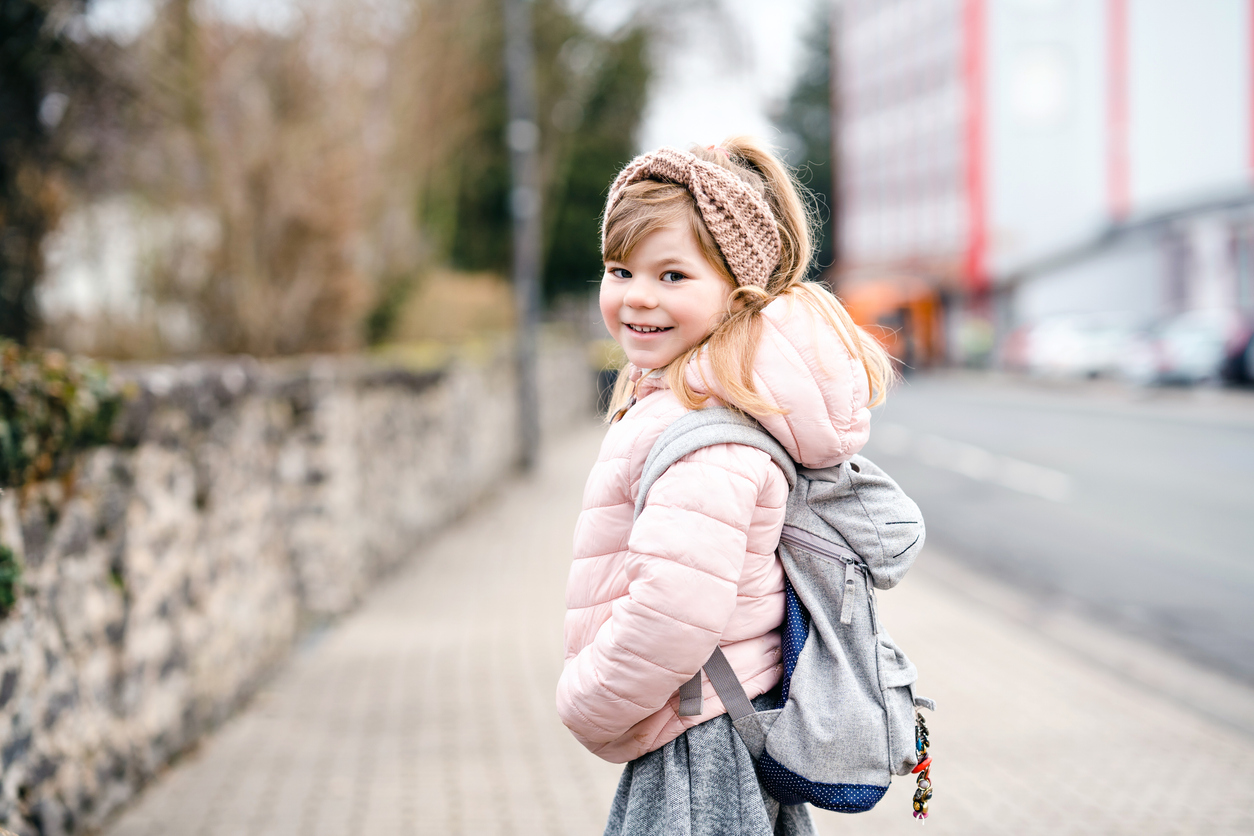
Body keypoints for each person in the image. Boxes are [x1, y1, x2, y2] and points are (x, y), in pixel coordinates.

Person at [557, 138, 894, 836]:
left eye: (673, 275)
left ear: (736, 296)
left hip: (693, 737)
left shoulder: (702, 430)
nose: (637, 296)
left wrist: (585, 702)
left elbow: (673, 609)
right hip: (715, 722)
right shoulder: (691, 402)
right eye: (620, 269)